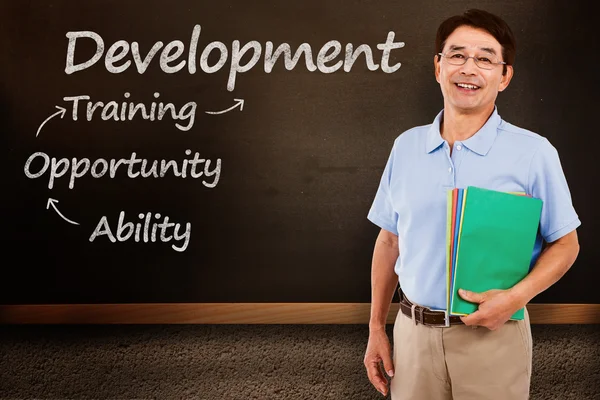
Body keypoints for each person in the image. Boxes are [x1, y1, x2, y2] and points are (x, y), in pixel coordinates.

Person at [363, 9, 581, 399]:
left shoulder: (534, 153)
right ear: (438, 67)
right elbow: (389, 241)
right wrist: (377, 328)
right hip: (412, 336)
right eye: (457, 55)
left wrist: (515, 298)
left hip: (492, 336)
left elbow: (566, 244)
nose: (468, 68)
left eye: (485, 58)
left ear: (504, 76)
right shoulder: (406, 146)